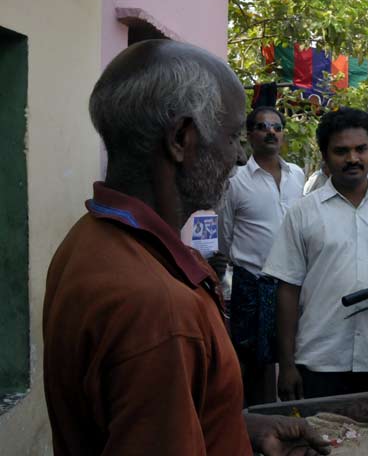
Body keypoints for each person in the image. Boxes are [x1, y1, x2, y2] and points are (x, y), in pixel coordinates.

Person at [43, 40, 328, 455]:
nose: (237, 157)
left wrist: (235, 425)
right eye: (233, 136)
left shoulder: (88, 239)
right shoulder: (157, 305)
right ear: (181, 138)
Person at [264, 108, 368, 400]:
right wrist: (286, 365)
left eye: (360, 149)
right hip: (319, 361)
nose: (353, 159)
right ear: (325, 156)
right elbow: (287, 290)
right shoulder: (303, 213)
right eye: (341, 151)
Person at [218, 106, 305, 406]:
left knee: (294, 354)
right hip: (252, 282)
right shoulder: (235, 181)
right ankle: (255, 424)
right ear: (249, 134)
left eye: (277, 127)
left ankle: (293, 415)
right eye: (262, 126)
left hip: (292, 283)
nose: (271, 132)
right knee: (253, 362)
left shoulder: (298, 175)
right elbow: (224, 234)